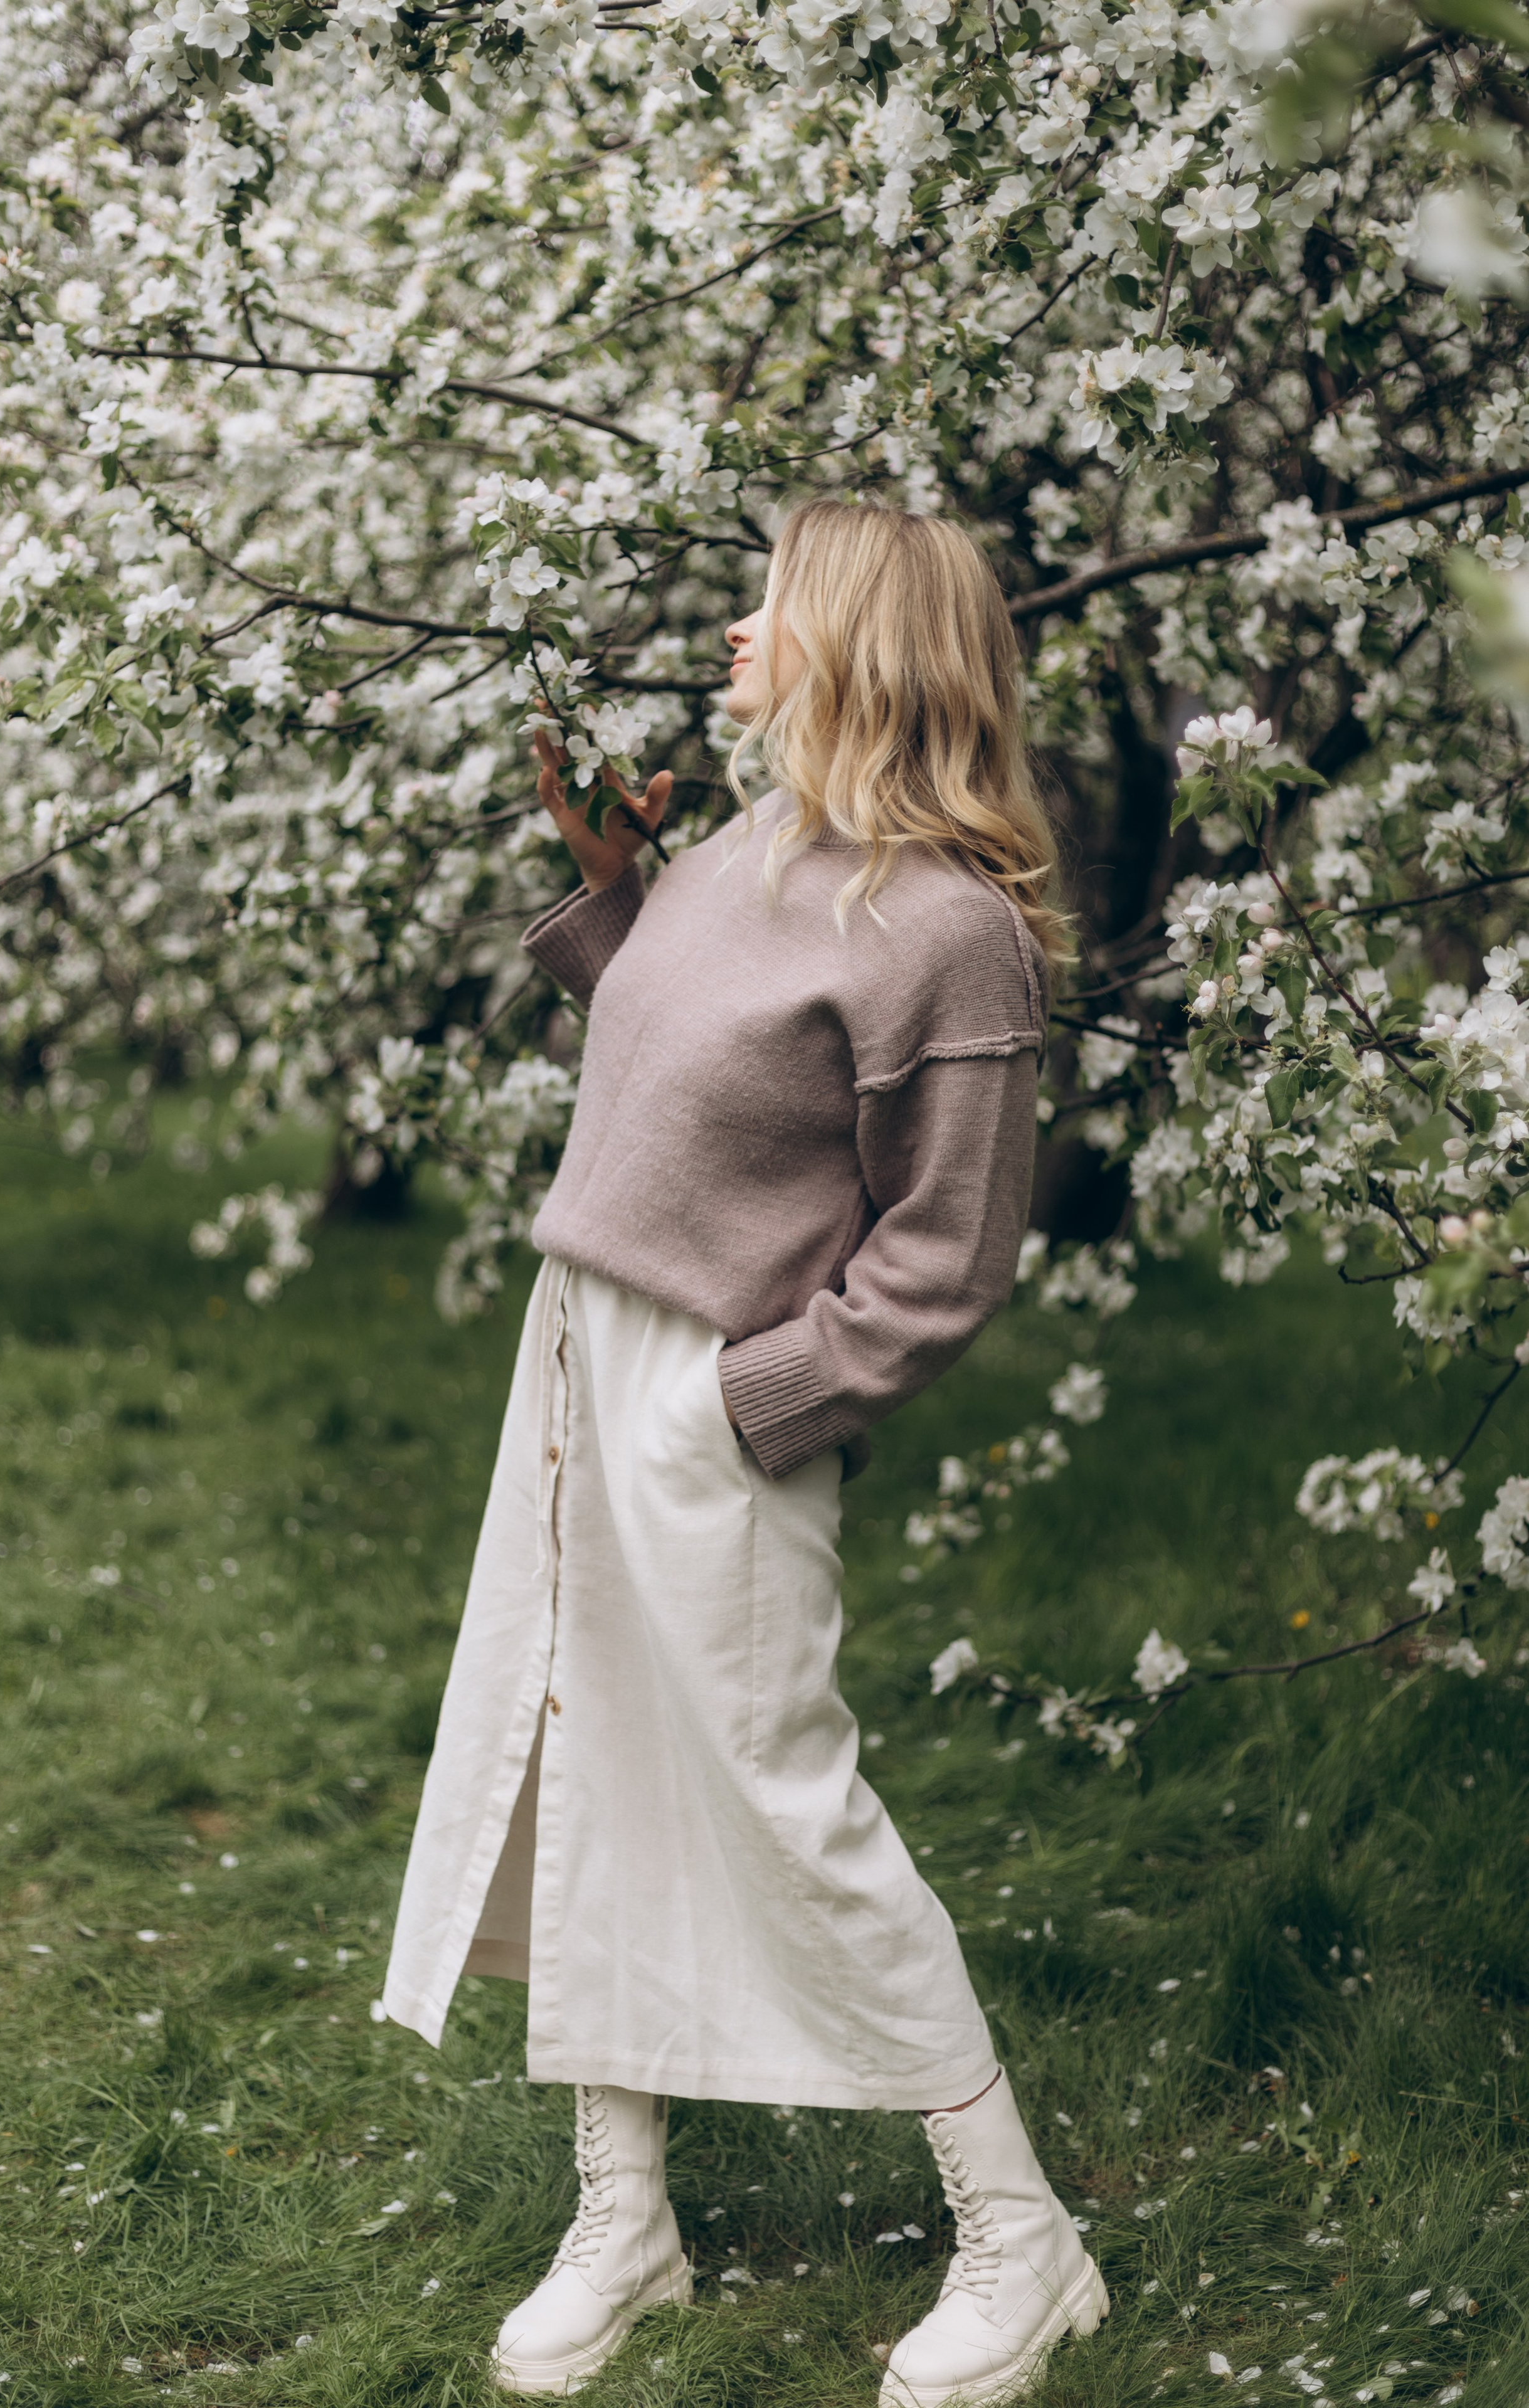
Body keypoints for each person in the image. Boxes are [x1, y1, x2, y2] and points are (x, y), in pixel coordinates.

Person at [381, 498, 1106, 2406]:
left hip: (716, 1393)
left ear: (857, 644)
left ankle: (1022, 2241)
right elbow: (693, 1081)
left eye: (766, 606)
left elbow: (944, 1265)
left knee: (785, 1798)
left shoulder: (950, 936)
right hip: (580, 1351)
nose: (731, 633)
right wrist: (615, 890)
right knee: (573, 1756)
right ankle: (627, 2215)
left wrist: (729, 1414)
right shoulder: (745, 846)